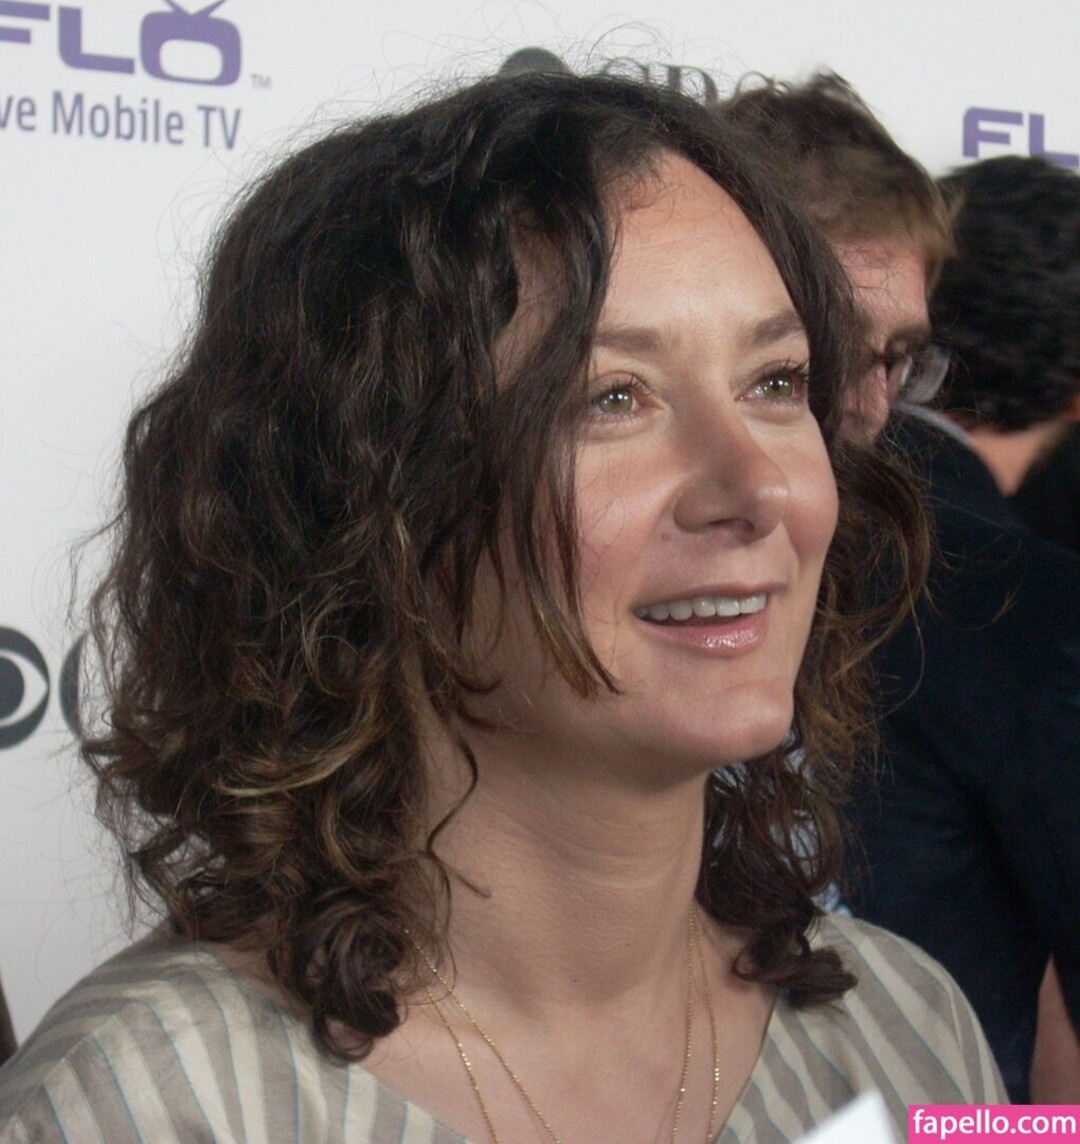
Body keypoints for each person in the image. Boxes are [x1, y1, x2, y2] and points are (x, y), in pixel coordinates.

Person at [0, 71, 1003, 1143]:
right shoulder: (146, 1106)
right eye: (613, 398)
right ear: (370, 506)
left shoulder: (913, 1033)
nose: (757, 486)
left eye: (775, 383)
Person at [718, 75, 1080, 1103]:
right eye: (819, 354)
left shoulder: (1005, 599)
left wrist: (998, 1136)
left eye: (900, 358)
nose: (868, 406)